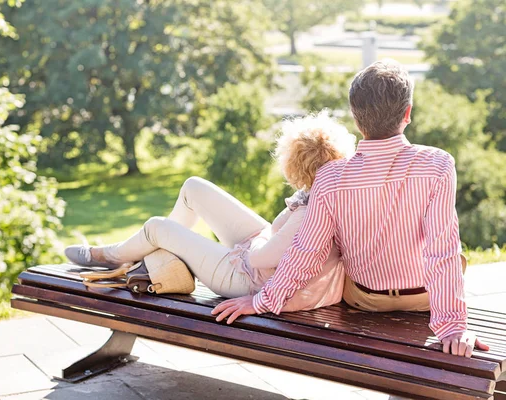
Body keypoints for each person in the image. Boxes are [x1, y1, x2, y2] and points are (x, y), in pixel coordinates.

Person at [212, 59, 490, 358]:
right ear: (407, 114)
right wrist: (453, 328)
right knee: (453, 256)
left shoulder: (330, 177)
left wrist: (262, 301)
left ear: (356, 120)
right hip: (423, 298)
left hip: (364, 299)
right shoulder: (438, 164)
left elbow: (307, 251)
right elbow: (442, 250)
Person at [65, 112, 355, 312]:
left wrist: (257, 241)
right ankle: (157, 256)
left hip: (249, 280)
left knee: (157, 227)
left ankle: (108, 256)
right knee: (194, 188)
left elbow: (260, 257)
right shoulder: (320, 193)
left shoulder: (310, 213)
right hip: (262, 260)